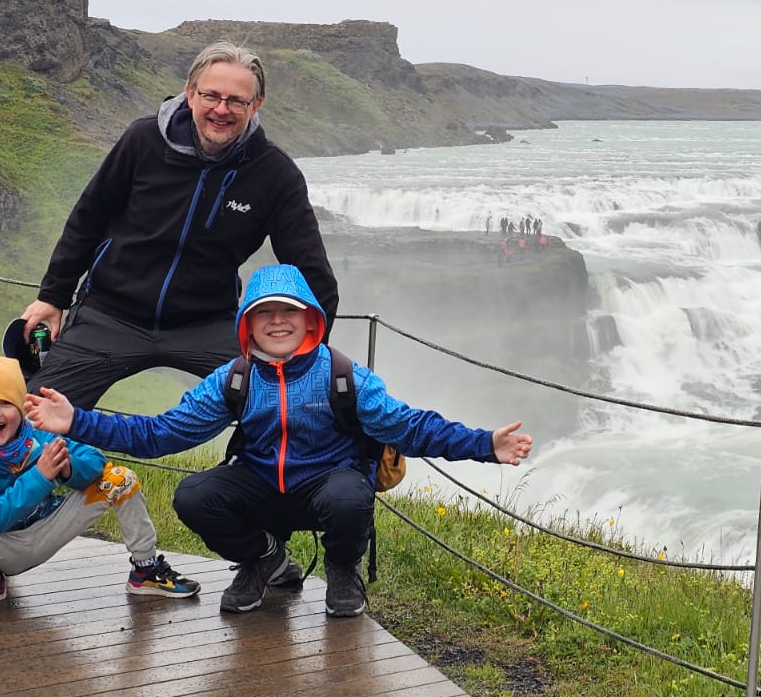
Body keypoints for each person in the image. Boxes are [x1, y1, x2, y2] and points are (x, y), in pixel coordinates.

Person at [26, 263, 533, 618]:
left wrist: (486, 444)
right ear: (248, 324)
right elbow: (159, 433)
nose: (277, 321)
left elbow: (411, 426)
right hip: (262, 489)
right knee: (195, 495)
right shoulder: (235, 379)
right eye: (264, 313)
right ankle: (264, 558)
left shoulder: (344, 377)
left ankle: (342, 571)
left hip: (326, 489)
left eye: (289, 311)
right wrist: (76, 422)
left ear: (311, 318)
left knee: (349, 495)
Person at [18, 41, 339, 410]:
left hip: (208, 323)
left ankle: (251, 467)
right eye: (211, 96)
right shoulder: (143, 140)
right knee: (34, 415)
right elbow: (88, 218)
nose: (222, 109)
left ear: (256, 106)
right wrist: (53, 297)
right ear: (190, 94)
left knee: (286, 410)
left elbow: (311, 271)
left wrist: (311, 353)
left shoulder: (275, 173)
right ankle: (58, 467)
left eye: (237, 101)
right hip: (110, 313)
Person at [0, 356, 201, 612]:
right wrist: (41, 476)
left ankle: (146, 569)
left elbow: (95, 459)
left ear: (21, 409)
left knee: (121, 478)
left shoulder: (38, 430)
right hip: (2, 546)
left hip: (50, 526)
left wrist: (67, 468)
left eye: (5, 404)